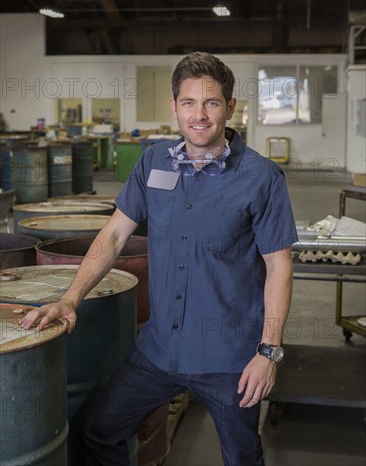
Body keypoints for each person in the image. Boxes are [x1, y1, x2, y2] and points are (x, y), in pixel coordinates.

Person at [21, 52, 298, 466]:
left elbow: (279, 265)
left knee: (242, 458)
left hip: (230, 358)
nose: (199, 115)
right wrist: (69, 297)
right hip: (159, 349)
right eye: (188, 102)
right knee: (98, 432)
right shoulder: (152, 163)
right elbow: (113, 235)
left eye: (211, 102)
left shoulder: (261, 178)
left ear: (230, 107)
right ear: (173, 107)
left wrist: (268, 352)